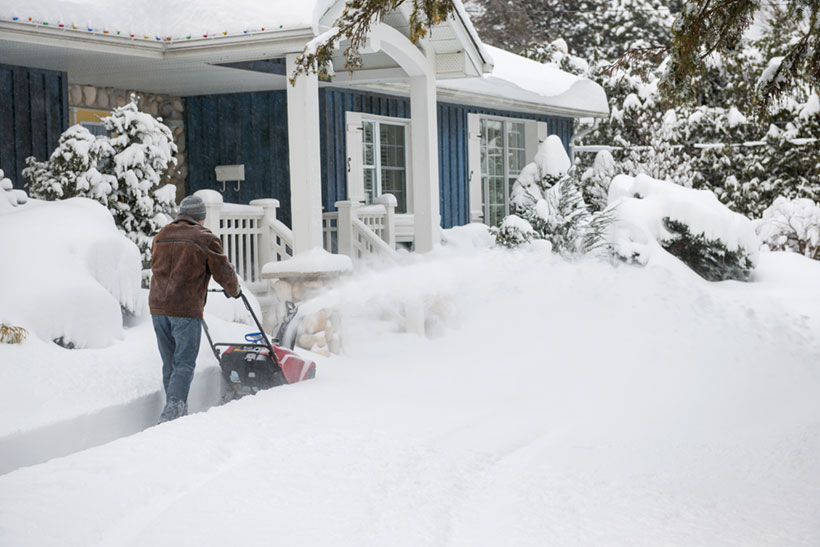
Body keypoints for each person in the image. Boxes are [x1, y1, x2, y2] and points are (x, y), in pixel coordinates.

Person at [149, 194, 240, 423]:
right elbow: (223, 271)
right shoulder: (205, 238)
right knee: (185, 363)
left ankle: (178, 412)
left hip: (158, 308)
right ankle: (172, 414)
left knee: (170, 362)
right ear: (200, 218)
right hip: (184, 309)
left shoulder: (162, 235)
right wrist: (234, 290)